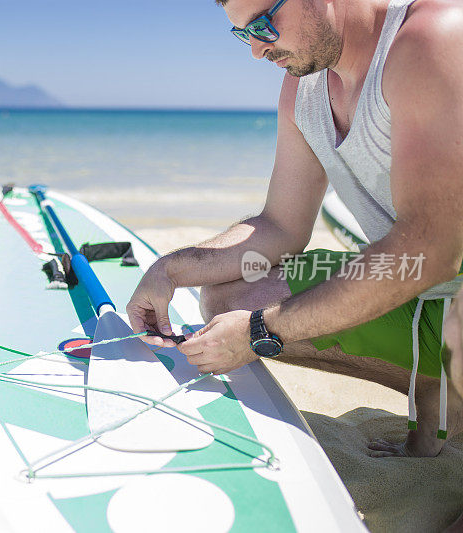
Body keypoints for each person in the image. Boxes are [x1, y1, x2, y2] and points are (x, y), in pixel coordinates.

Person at [127, 0, 463, 460]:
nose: (257, 51)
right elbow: (280, 225)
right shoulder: (303, 87)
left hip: (444, 277)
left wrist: (264, 330)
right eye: (244, 35)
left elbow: (434, 249)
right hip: (430, 291)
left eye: (264, 25)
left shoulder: (432, 38)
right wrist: (171, 269)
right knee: (231, 293)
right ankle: (437, 385)